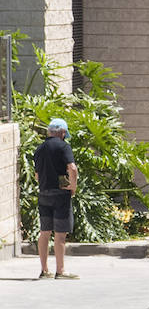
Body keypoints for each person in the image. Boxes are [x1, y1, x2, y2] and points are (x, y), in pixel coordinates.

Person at [33, 117, 79, 280]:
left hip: (44, 193)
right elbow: (72, 168)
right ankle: (60, 270)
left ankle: (44, 270)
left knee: (44, 232)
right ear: (63, 133)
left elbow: (37, 175)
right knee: (60, 234)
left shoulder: (39, 149)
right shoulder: (63, 146)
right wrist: (72, 186)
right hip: (60, 194)